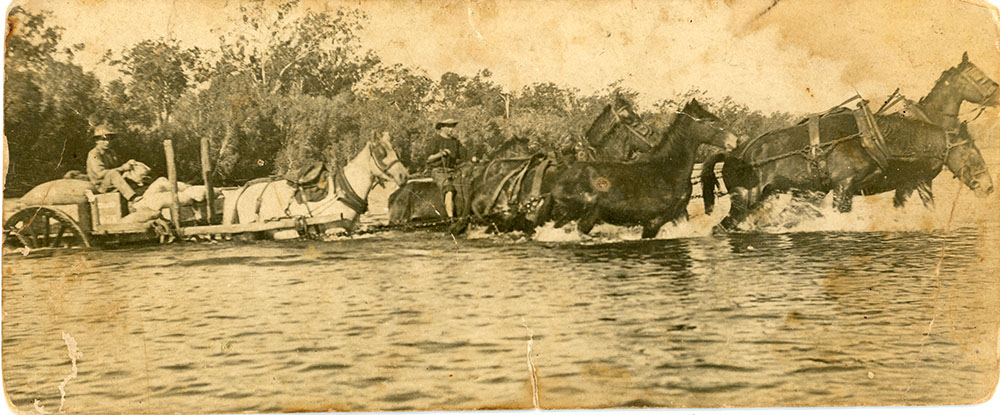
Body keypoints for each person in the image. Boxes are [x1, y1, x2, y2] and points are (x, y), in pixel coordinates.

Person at [86, 125, 139, 201]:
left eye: (109, 139)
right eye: (103, 139)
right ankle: (132, 197)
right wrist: (122, 168)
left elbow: (117, 168)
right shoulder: (94, 154)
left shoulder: (111, 152)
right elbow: (100, 173)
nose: (107, 142)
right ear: (97, 141)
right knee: (113, 173)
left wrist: (128, 165)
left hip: (113, 183)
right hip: (100, 186)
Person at [426, 118, 466, 218]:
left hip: (453, 171)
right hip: (439, 171)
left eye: (452, 126)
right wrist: (440, 154)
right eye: (449, 126)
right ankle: (450, 218)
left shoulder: (455, 142)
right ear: (442, 128)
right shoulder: (434, 141)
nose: (451, 129)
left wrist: (473, 158)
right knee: (449, 190)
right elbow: (428, 159)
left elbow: (464, 156)